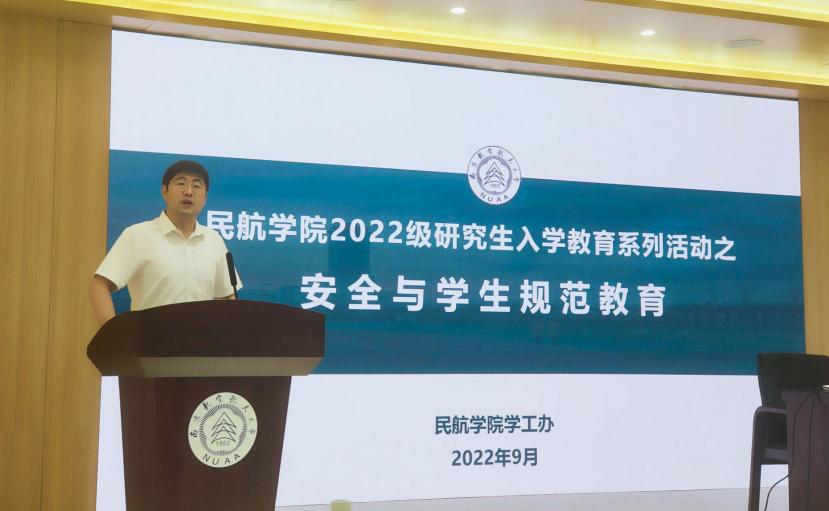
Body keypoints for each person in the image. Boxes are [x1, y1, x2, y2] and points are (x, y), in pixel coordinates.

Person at [90, 160, 240, 325]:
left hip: (202, 340)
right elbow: (100, 285)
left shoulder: (213, 240)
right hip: (150, 339)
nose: (189, 192)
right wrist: (113, 335)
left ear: (205, 198)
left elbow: (226, 296)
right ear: (164, 191)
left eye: (197, 186)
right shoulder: (138, 235)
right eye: (181, 183)